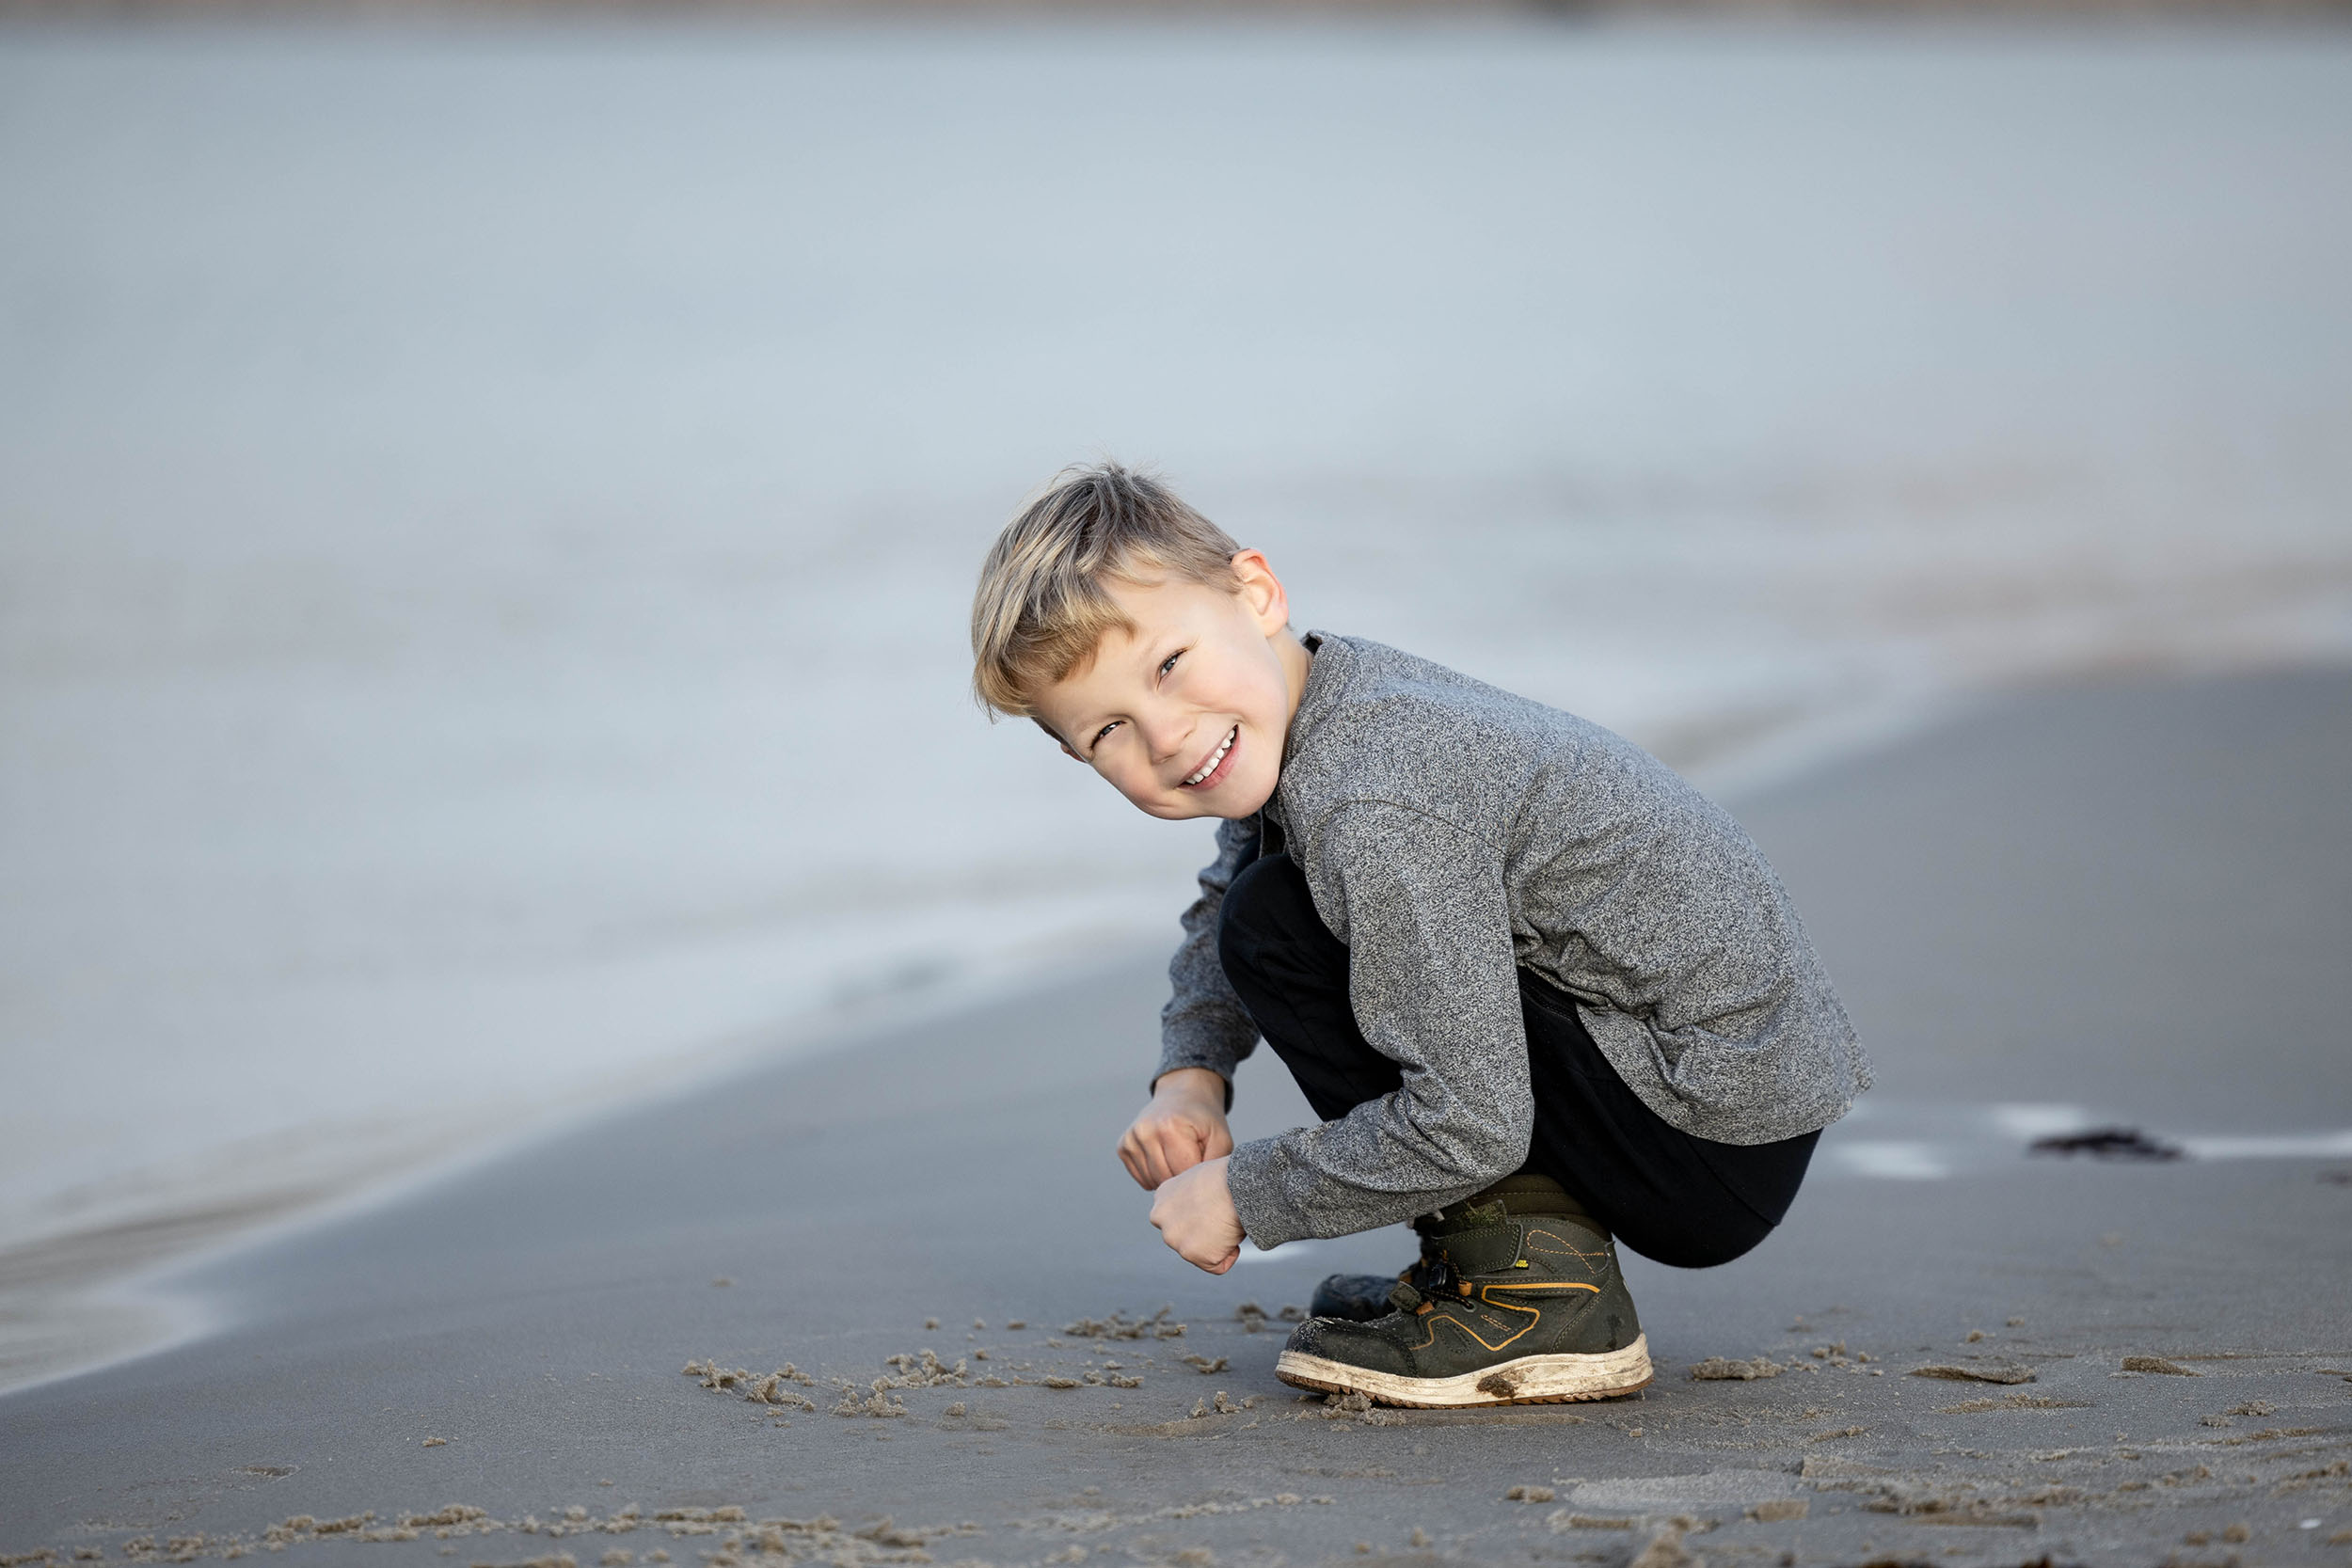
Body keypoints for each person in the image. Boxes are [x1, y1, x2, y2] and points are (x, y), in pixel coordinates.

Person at [969, 463, 1869, 1408]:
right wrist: (1189, 1076)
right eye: (1108, 727)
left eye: (1168, 665)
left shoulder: (1375, 796)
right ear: (1074, 753)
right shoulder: (1323, 696)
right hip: (1709, 1081)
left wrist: (1247, 1192)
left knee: (1278, 925)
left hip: (1704, 1124)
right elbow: (1231, 877)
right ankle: (1510, 1257)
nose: (1165, 735)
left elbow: (1468, 1122)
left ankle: (1536, 1291)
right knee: (1266, 901)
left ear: (1257, 592)